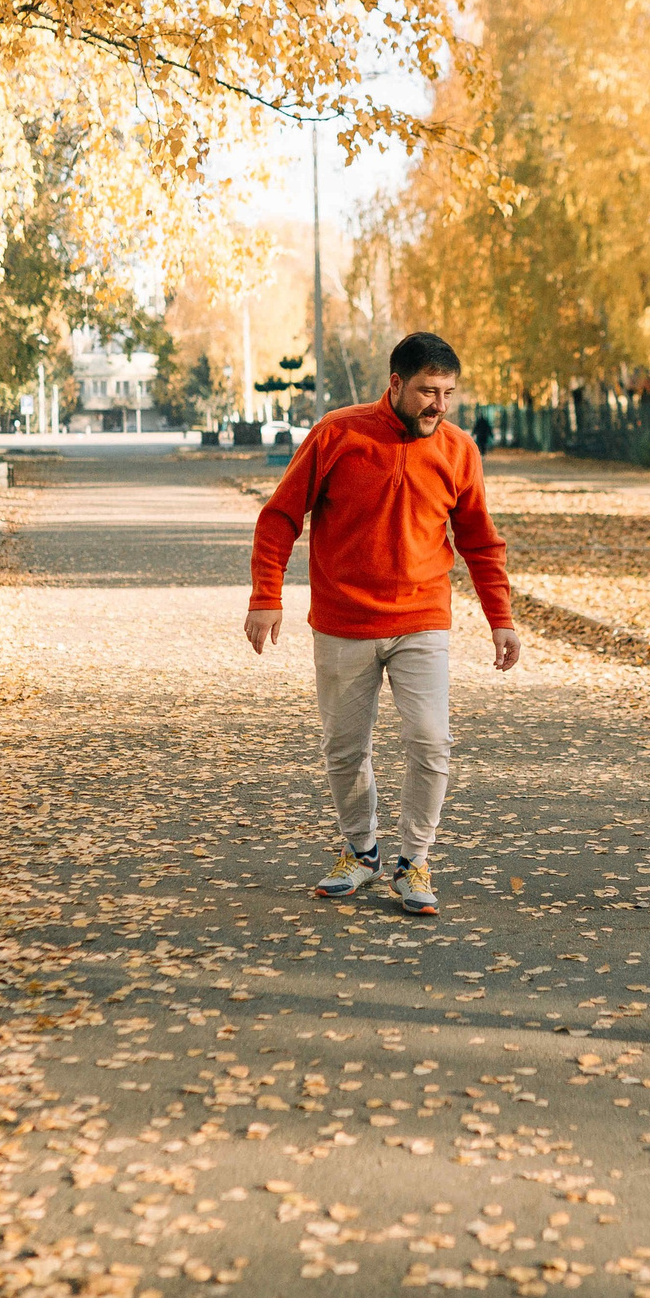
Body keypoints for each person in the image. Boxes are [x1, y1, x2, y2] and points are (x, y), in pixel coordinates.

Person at [246, 332, 521, 916]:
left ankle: (414, 860)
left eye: (447, 393)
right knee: (345, 749)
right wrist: (266, 596)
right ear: (395, 385)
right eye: (427, 391)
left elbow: (479, 541)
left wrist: (501, 619)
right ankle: (362, 851)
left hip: (422, 618)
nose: (438, 405)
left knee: (431, 741)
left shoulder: (458, 450)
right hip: (344, 621)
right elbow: (279, 518)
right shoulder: (338, 433)